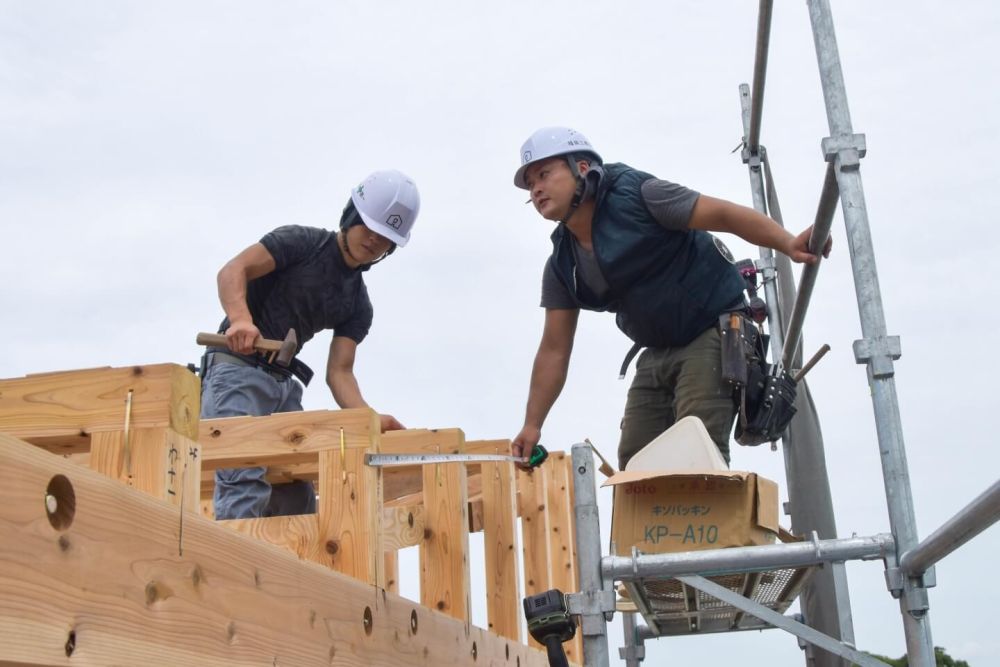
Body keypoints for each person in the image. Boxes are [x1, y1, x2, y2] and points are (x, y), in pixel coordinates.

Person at [509, 127, 830, 470]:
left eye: (544, 174)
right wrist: (532, 424)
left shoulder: (639, 194)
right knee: (637, 466)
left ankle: (711, 523)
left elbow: (722, 214)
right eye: (530, 184)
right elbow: (554, 348)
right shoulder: (563, 263)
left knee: (698, 451)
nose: (537, 188)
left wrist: (788, 244)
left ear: (583, 168)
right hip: (656, 348)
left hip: (711, 329)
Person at [201, 169, 419, 519]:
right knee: (242, 476)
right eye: (370, 227)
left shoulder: (357, 304)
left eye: (386, 237)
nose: (375, 240)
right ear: (351, 215)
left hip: (283, 386)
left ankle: (284, 571)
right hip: (237, 371)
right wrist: (241, 320)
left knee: (297, 491)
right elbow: (233, 270)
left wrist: (368, 418)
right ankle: (233, 567)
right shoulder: (300, 243)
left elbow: (340, 373)